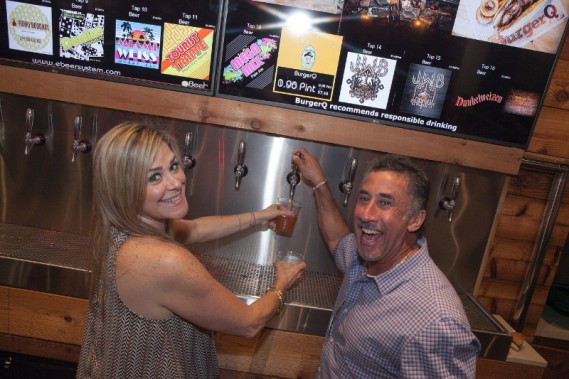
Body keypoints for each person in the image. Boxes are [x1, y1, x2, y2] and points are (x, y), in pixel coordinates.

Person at [77, 122, 305, 378]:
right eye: (154, 177)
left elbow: (195, 229)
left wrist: (258, 217)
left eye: (173, 166)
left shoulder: (119, 231)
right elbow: (249, 323)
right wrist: (281, 285)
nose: (176, 182)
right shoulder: (164, 260)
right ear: (124, 189)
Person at [291, 148, 480, 378]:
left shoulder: (437, 321)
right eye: (364, 198)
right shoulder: (365, 258)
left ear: (415, 220)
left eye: (385, 203)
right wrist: (319, 182)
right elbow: (336, 239)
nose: (367, 214)